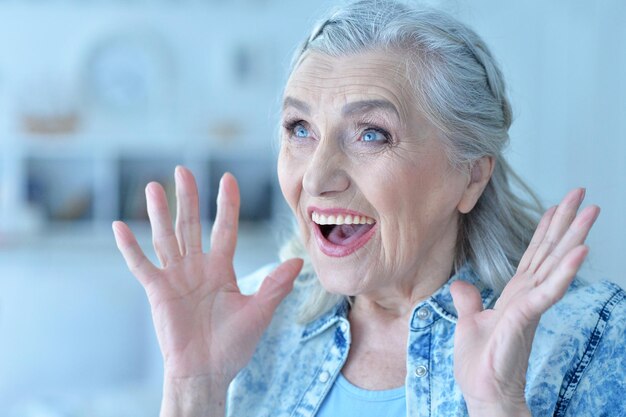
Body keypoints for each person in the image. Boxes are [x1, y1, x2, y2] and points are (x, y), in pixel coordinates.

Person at [112, 1, 626, 416]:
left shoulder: (592, 334)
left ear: (470, 175)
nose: (315, 177)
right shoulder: (251, 323)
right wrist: (193, 391)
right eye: (300, 130)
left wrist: (498, 406)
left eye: (372, 134)